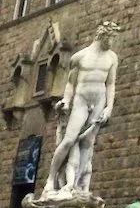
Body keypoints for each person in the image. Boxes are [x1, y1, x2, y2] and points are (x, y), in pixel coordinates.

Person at [41, 22, 120, 198]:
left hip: (98, 100)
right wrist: (66, 101)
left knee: (88, 143)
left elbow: (110, 84)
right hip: (81, 100)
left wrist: (109, 107)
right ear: (102, 36)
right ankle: (50, 179)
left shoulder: (112, 57)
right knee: (69, 140)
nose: (112, 43)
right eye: (111, 39)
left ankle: (78, 185)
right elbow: (70, 83)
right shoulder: (79, 57)